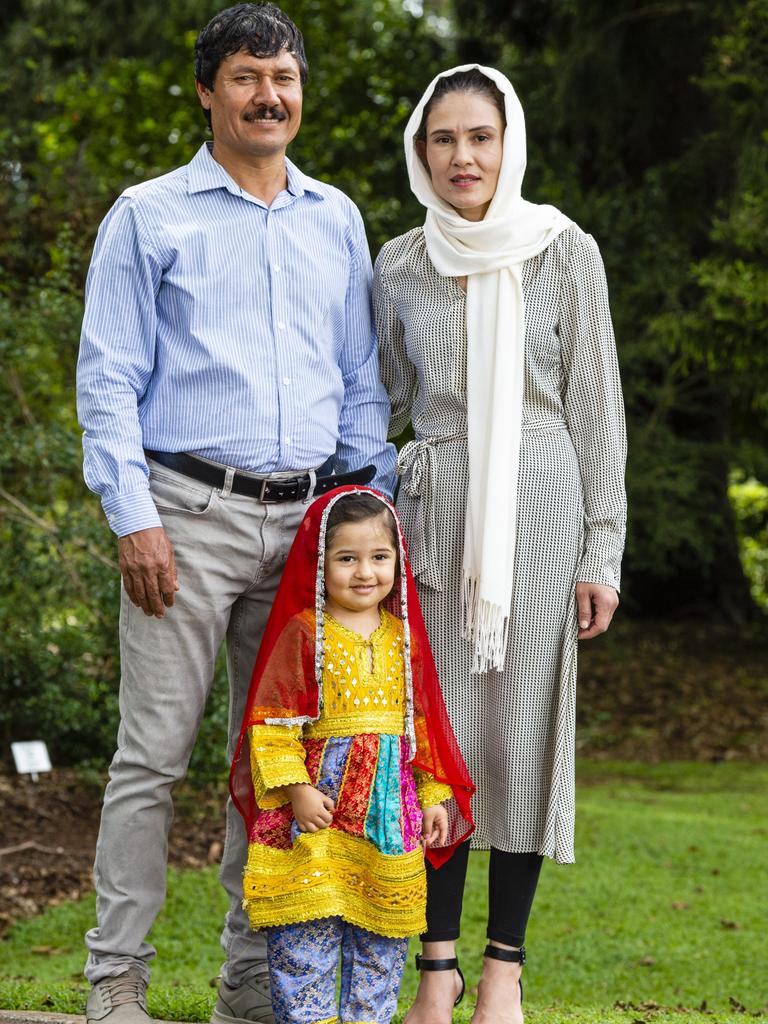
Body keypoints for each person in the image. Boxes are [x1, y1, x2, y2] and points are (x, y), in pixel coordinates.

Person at [76, 5, 397, 1024]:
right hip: (185, 516)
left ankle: (253, 981)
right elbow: (108, 379)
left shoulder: (334, 217)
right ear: (209, 90)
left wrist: (365, 506)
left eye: (285, 77)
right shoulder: (150, 215)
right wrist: (133, 516)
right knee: (153, 757)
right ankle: (115, 979)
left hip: (307, 530)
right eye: (249, 76)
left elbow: (356, 376)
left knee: (277, 759)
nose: (270, 95)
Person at [373, 65, 627, 1024]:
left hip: (542, 513)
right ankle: (434, 967)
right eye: (444, 140)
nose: (463, 157)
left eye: (480, 137)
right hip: (433, 518)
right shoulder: (398, 261)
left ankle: (502, 973)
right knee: (436, 741)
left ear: (508, 142)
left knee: (520, 739)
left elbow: (598, 410)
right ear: (420, 151)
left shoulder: (566, 250)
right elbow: (384, 399)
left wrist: (602, 549)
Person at [229, 487, 474, 1024]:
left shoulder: (404, 638)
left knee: (379, 947)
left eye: (379, 557)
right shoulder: (304, 635)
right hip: (317, 810)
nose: (365, 572)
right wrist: (295, 790)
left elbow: (422, 726)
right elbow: (271, 725)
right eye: (347, 558)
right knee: (304, 938)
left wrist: (433, 796)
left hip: (388, 816)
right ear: (320, 564)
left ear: (397, 560)